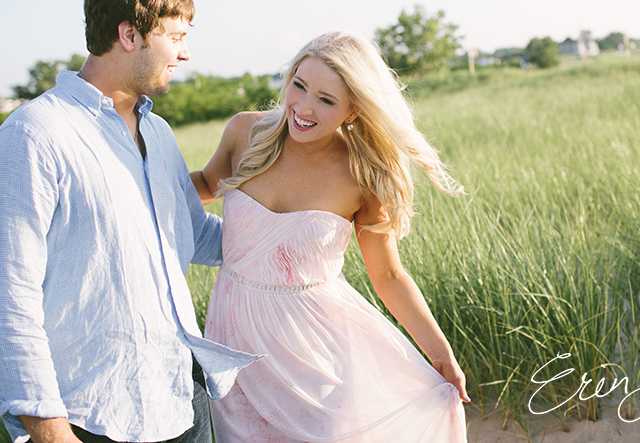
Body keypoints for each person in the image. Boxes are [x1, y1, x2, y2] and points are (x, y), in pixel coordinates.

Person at [0, 0, 260, 443]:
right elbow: (2, 304)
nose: (185, 54)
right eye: (176, 36)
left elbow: (191, 233)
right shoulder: (33, 137)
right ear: (129, 34)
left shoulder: (158, 131)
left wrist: (297, 235)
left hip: (182, 400)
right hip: (91, 418)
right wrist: (52, 433)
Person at [190, 31, 470, 442]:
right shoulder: (246, 133)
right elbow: (204, 185)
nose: (303, 108)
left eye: (325, 99)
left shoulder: (363, 174)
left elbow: (389, 277)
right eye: (298, 87)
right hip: (234, 340)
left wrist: (441, 354)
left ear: (353, 109)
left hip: (314, 348)